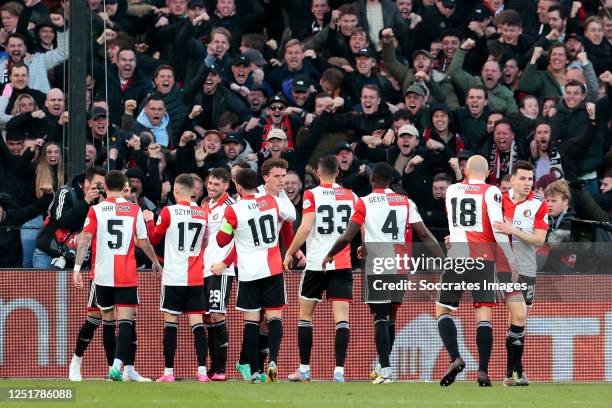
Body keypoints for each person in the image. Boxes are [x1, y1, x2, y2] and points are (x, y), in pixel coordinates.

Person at [323, 162, 443, 384]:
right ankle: (382, 364)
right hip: (400, 265)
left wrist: (330, 254)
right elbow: (425, 236)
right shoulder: (406, 202)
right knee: (391, 316)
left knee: (379, 317)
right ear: (391, 181)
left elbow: (347, 236)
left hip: (378, 265)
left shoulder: (364, 202)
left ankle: (386, 370)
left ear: (372, 180)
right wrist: (443, 261)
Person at [72, 170, 162, 381]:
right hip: (125, 274)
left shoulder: (96, 210)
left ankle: (119, 368)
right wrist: (156, 262)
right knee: (126, 323)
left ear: (106, 186)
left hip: (102, 274)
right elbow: (144, 241)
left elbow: (84, 238)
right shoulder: (134, 209)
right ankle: (117, 365)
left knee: (109, 322)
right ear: (124, 187)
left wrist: (77, 268)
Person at [437, 155, 517, 387]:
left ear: (466, 169)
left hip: (457, 256)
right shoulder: (492, 192)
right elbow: (498, 227)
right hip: (483, 259)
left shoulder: (452, 190)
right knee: (483, 314)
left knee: (443, 310)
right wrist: (510, 258)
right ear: (488, 171)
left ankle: (455, 357)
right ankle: (482, 372)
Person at [214, 167, 296, 383]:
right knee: (274, 318)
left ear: (238, 187)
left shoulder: (233, 210)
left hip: (249, 273)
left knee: (251, 322)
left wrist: (229, 227)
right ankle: (273, 362)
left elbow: (221, 241)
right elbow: (289, 218)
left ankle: (255, 373)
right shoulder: (272, 202)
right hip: (273, 269)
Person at [283, 155, 357, 383]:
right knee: (342, 320)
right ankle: (339, 372)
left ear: (317, 171)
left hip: (316, 263)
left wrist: (290, 251)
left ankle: (304, 369)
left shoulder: (312, 194)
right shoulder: (352, 196)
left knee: (305, 316)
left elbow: (305, 228)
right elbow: (359, 226)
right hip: (341, 263)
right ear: (338, 172)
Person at [145, 174, 210, 383]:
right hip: (195, 277)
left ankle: (168, 372)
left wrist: (148, 221)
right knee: (197, 324)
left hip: (173, 276)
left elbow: (154, 238)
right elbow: (205, 242)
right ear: (193, 192)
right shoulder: (203, 214)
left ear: (175, 191)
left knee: (171, 323)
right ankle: (202, 372)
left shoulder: (168, 211)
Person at [493, 161, 548, 386]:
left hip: (527, 268)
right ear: (512, 180)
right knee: (520, 313)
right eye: (523, 179)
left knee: (518, 321)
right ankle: (518, 371)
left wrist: (513, 230)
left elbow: (539, 239)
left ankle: (508, 375)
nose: (527, 183)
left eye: (530, 179)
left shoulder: (538, 204)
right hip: (504, 268)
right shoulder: (498, 202)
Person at [201, 168, 236, 381]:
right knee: (207, 318)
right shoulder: (206, 207)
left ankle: (221, 369)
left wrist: (225, 263)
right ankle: (214, 367)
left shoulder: (231, 207)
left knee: (217, 314)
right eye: (210, 183)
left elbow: (240, 240)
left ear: (226, 185)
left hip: (221, 270)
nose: (212, 187)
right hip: (204, 270)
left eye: (216, 184)